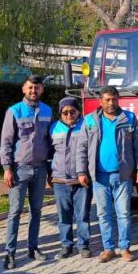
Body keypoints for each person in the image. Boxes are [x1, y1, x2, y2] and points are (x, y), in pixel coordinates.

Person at [77, 86, 138, 263]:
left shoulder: (129, 118)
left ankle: (124, 248)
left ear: (118, 100)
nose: (110, 103)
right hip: (99, 177)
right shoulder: (90, 120)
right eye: (107, 99)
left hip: (122, 175)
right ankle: (108, 249)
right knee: (103, 214)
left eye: (113, 99)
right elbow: (82, 148)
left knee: (123, 213)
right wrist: (81, 171)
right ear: (101, 101)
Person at [0, 75, 53, 268]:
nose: (33, 91)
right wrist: (7, 169)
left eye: (37, 88)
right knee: (15, 211)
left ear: (42, 90)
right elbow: (6, 142)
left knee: (36, 211)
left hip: (39, 169)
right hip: (19, 170)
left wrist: (49, 169)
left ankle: (33, 247)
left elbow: (49, 141)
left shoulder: (47, 110)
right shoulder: (14, 111)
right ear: (24, 89)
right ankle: (10, 252)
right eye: (30, 87)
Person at [48, 97, 92, 259]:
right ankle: (66, 245)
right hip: (60, 180)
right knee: (63, 216)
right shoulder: (53, 128)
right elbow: (48, 153)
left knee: (83, 215)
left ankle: (83, 245)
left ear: (78, 111)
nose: (69, 114)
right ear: (60, 113)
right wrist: (49, 174)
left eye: (72, 111)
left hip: (81, 180)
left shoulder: (86, 126)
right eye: (65, 112)